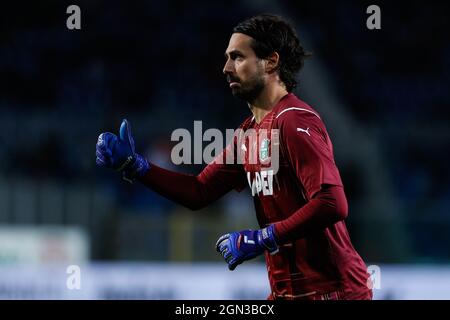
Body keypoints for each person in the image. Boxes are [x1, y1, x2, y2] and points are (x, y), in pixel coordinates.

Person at [95, 14, 372, 300]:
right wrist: (137, 166)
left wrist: (264, 237)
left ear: (271, 62)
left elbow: (332, 202)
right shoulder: (249, 133)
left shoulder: (293, 120)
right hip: (288, 292)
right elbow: (199, 191)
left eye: (237, 57)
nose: (226, 68)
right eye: (228, 58)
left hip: (334, 291)